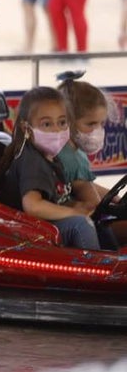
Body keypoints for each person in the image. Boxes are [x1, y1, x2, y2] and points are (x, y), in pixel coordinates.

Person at [0, 87, 100, 251]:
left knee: (100, 219)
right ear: (26, 128)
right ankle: (96, 266)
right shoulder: (32, 161)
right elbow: (33, 206)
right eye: (47, 124)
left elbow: (58, 196)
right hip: (30, 232)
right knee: (81, 224)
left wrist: (78, 206)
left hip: (44, 226)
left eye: (62, 123)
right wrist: (74, 212)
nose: (57, 130)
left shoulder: (50, 156)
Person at [57, 73, 123, 248]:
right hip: (66, 219)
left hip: (70, 210)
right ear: (67, 121)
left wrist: (116, 198)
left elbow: (86, 183)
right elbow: (92, 200)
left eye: (101, 124)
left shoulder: (74, 150)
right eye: (91, 124)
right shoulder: (68, 156)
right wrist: (118, 206)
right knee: (102, 227)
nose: (97, 131)